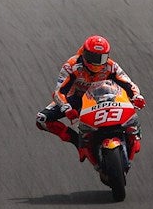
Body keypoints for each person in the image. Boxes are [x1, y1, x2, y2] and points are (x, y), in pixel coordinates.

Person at [35, 35, 145, 163]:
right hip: (77, 99)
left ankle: (134, 136)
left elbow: (128, 83)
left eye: (101, 58)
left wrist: (137, 96)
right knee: (41, 119)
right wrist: (66, 108)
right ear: (84, 54)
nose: (97, 62)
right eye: (93, 57)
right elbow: (58, 91)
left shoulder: (111, 66)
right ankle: (78, 142)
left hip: (108, 96)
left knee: (131, 110)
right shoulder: (71, 66)